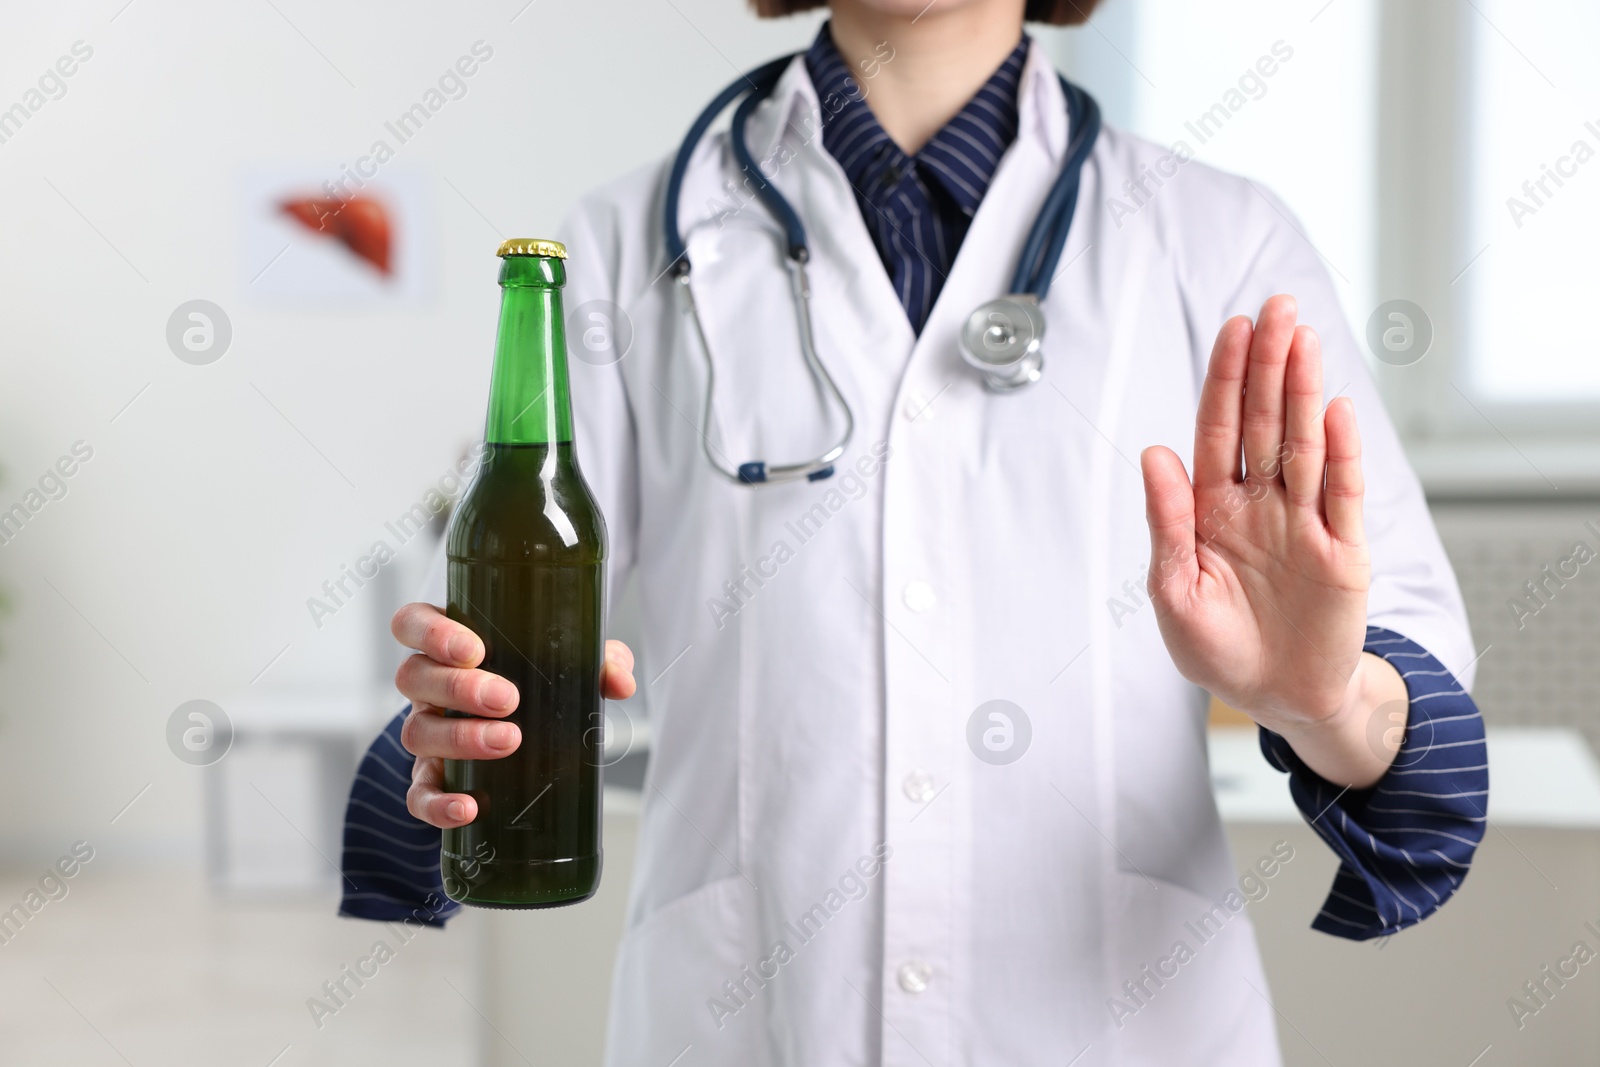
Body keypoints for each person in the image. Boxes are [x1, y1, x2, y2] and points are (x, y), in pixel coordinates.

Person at [339, 1, 1488, 1063]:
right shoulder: (628, 242)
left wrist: (1325, 696)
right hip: (751, 1010)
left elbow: (1409, 678)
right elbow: (521, 621)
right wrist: (469, 711)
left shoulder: (1219, 240)